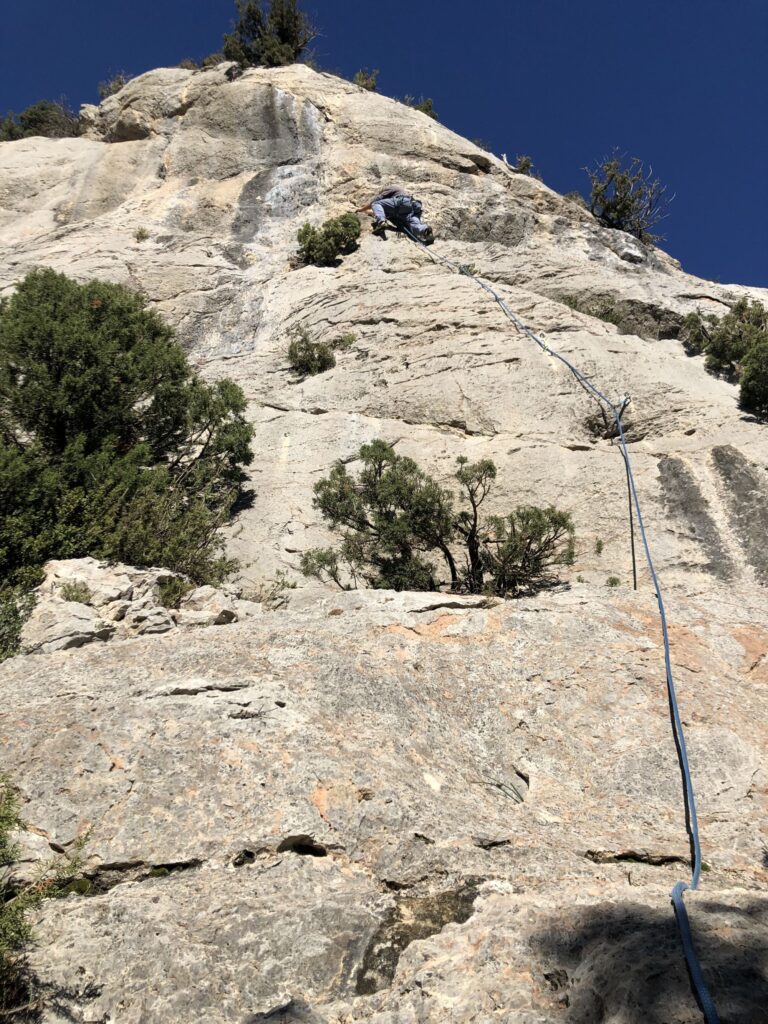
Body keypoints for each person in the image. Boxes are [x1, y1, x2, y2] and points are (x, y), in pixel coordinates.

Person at [357, 186, 434, 244]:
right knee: (413, 225)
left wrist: (361, 209)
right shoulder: (393, 201)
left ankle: (381, 223)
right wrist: (366, 212)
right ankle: (425, 231)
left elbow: (374, 202)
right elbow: (378, 212)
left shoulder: (391, 188)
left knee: (376, 204)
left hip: (400, 203)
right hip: (408, 210)